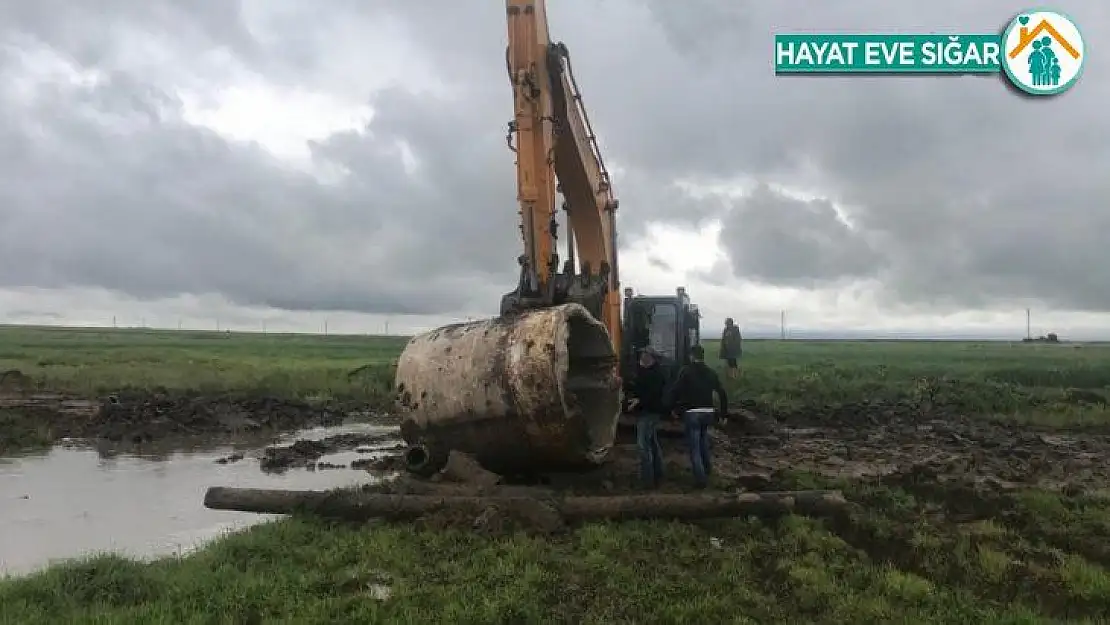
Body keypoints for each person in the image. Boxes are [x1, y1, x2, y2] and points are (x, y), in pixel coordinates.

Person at [668, 344, 728, 489]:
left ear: (691, 356)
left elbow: (676, 390)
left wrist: (672, 408)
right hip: (708, 412)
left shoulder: (686, 372)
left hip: (692, 413)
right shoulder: (711, 372)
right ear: (702, 356)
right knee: (703, 442)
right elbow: (722, 393)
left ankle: (700, 480)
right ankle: (707, 470)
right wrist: (723, 414)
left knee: (694, 447)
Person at [627, 347, 667, 488]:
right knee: (653, 444)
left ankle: (647, 480)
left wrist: (638, 401)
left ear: (650, 357)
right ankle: (659, 474)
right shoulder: (646, 372)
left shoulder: (656, 374)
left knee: (643, 446)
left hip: (649, 413)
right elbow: (639, 388)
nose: (641, 357)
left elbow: (652, 394)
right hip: (648, 412)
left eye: (644, 355)